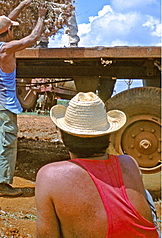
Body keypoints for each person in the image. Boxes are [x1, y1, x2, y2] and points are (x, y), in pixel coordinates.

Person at [35, 92, 160, 237]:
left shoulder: (50, 176)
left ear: (62, 135)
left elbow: (46, 235)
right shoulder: (129, 163)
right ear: (109, 135)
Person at [0, 0, 47, 197]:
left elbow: (5, 23)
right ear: (9, 32)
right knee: (7, 141)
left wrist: (23, 5)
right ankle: (2, 184)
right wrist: (41, 17)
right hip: (5, 103)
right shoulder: (8, 48)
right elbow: (32, 38)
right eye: (12, 29)